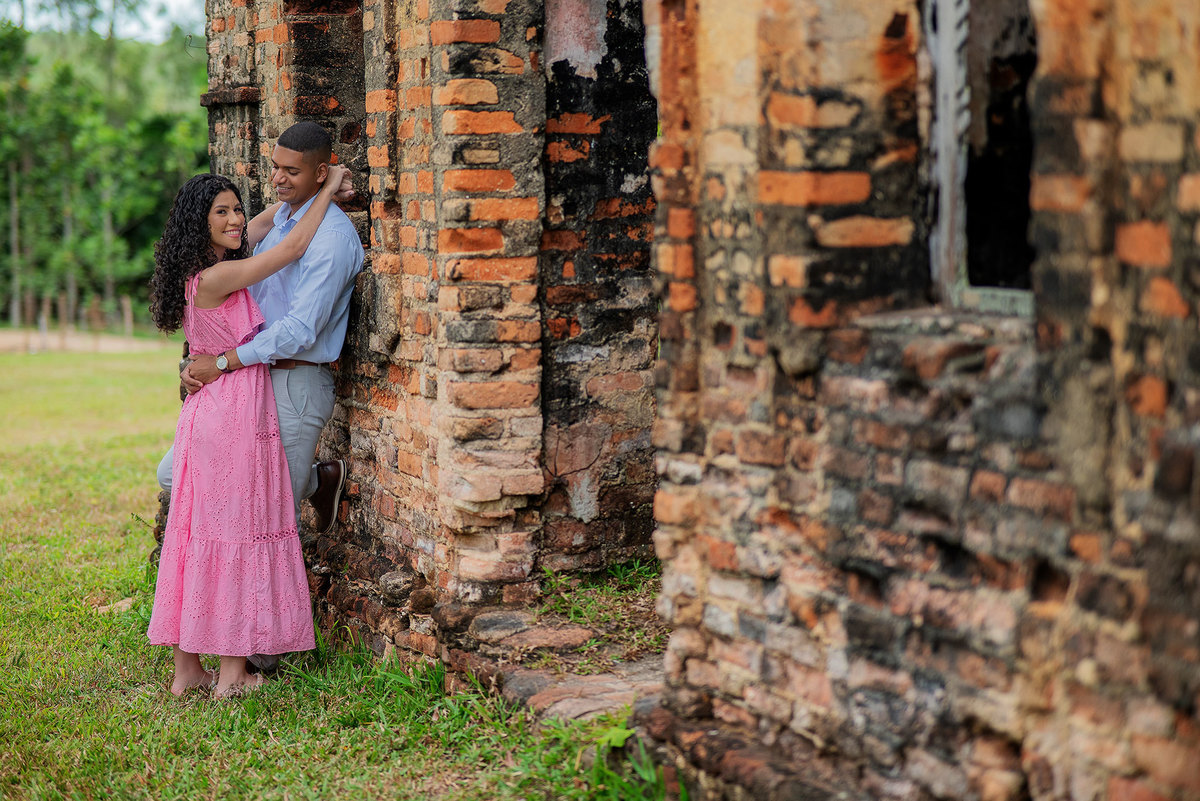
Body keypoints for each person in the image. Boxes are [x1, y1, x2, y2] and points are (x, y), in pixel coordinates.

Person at [157, 122, 366, 671]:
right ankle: (232, 639)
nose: (275, 178)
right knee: (191, 485)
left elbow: (298, 329)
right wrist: (319, 187)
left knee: (264, 510)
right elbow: (266, 236)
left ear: (318, 170)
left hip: (291, 377)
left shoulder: (333, 238)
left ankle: (250, 656)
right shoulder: (256, 239)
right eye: (274, 167)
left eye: (290, 171)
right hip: (243, 384)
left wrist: (220, 361)